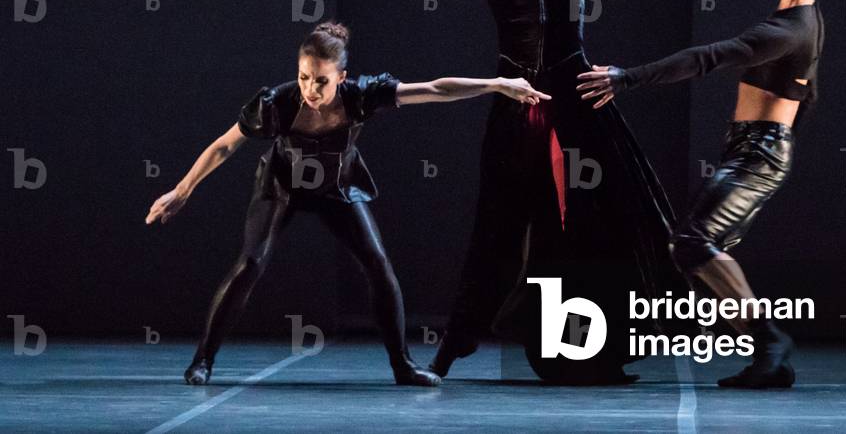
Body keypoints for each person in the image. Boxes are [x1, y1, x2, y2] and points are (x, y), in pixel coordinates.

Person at [346, 0, 679, 383]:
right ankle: (451, 349)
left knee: (591, 226)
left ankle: (589, 352)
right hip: (516, 106)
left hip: (579, 107)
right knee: (497, 228)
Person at [145, 21, 549, 387]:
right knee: (250, 263)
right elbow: (224, 145)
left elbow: (435, 89)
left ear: (341, 77)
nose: (310, 89)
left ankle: (403, 366)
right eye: (304, 77)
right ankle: (202, 361)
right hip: (282, 186)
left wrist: (497, 83)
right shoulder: (276, 103)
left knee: (378, 264)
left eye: (321, 81)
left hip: (335, 188)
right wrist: (182, 190)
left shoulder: (362, 96)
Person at [577, 0, 831, 388]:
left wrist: (625, 77)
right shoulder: (804, 22)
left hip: (759, 153)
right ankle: (768, 360)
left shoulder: (790, 30)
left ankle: (770, 342)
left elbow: (708, 58)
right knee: (697, 259)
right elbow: (807, 92)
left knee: (692, 242)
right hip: (757, 150)